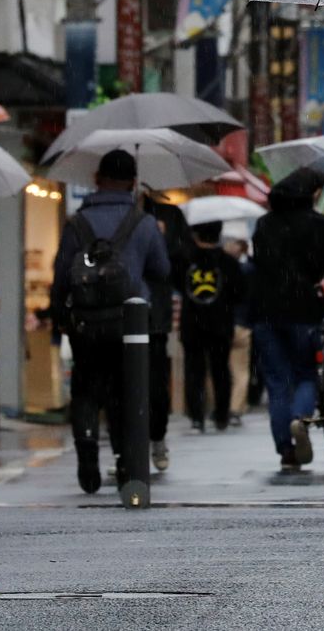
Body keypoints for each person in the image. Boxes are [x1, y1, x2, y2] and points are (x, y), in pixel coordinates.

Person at [51, 150, 169, 494]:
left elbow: (61, 275)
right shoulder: (143, 222)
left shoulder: (77, 223)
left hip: (86, 323)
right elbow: (161, 271)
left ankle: (87, 447)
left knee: (86, 389)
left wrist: (60, 315)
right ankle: (123, 457)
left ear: (97, 179)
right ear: (133, 183)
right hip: (130, 323)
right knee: (126, 391)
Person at [251, 168, 324, 469]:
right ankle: (300, 419)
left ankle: (286, 451)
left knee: (277, 382)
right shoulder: (319, 226)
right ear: (314, 193)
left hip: (265, 313)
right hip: (304, 312)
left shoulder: (264, 225)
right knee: (306, 373)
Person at [142, 193, 194, 471]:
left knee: (155, 382)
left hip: (154, 314)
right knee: (118, 383)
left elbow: (182, 263)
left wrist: (163, 242)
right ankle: (123, 447)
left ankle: (157, 436)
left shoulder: (168, 216)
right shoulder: (112, 214)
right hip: (117, 310)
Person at [178, 220, 243, 432]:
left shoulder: (185, 259)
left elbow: (177, 283)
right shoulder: (228, 262)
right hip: (221, 323)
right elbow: (239, 293)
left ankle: (197, 416)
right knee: (221, 370)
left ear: (196, 234)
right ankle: (221, 415)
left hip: (192, 323)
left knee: (194, 370)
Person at [227, 237, 255, 424]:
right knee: (240, 370)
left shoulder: (233, 269)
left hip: (229, 323)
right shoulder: (251, 269)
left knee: (229, 369)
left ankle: (230, 407)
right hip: (243, 323)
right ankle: (236, 408)